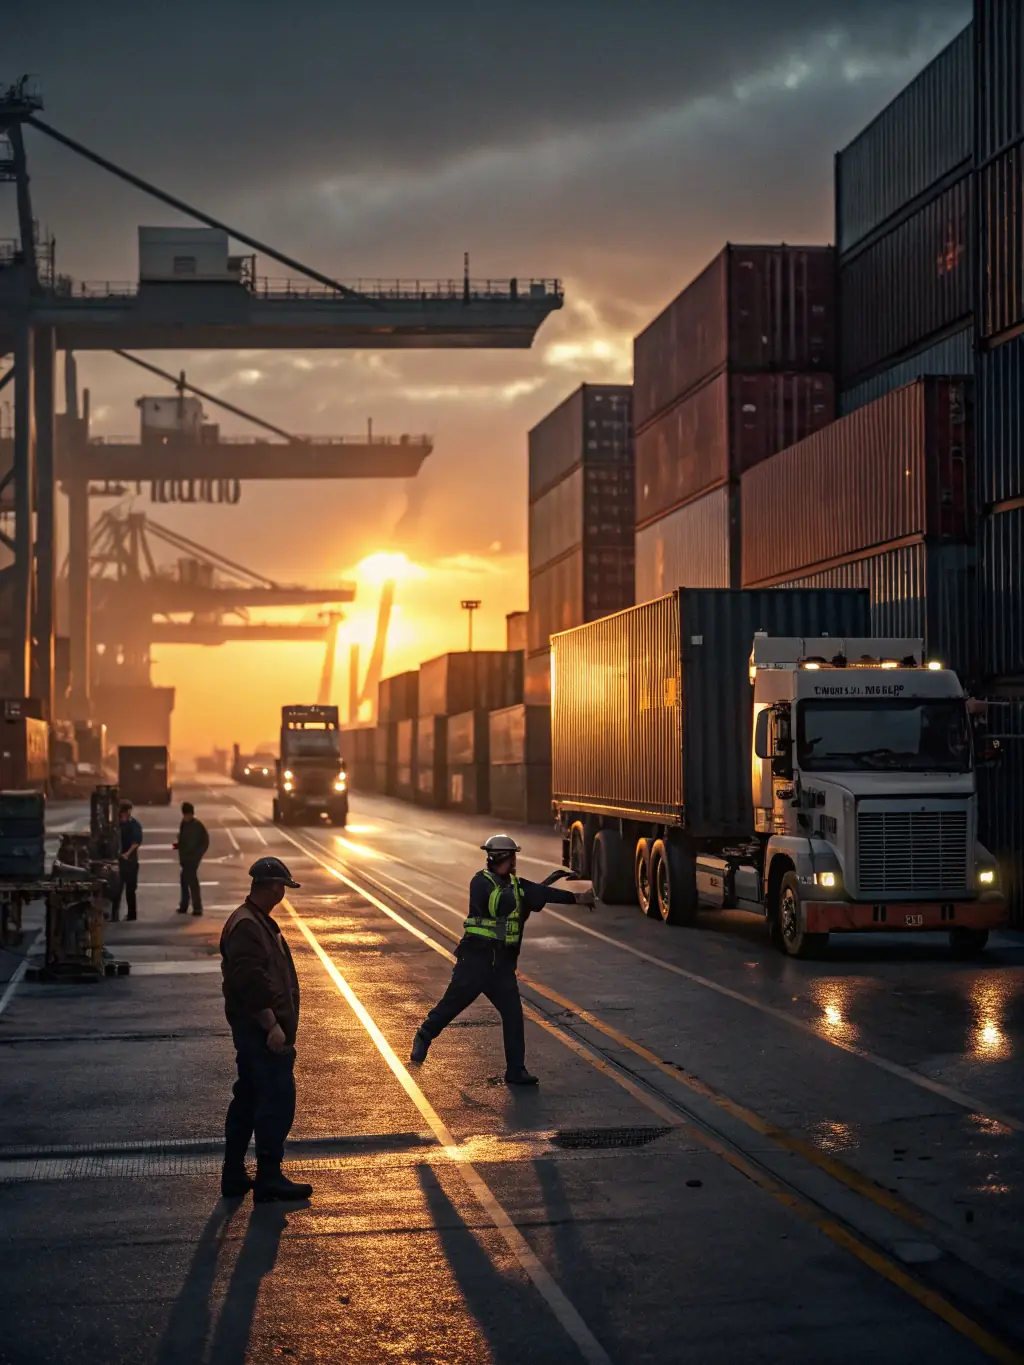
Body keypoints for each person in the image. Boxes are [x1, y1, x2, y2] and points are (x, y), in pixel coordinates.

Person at [410, 833, 595, 1085]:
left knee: (513, 1015)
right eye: (512, 858)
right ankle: (424, 1036)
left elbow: (546, 894)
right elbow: (499, 904)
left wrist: (578, 899)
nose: (515, 862)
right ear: (504, 858)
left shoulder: (517, 886)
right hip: (475, 962)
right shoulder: (481, 882)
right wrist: (527, 893)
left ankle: (516, 1070)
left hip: (502, 967)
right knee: (451, 1006)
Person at [219, 856, 312, 1204]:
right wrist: (271, 1025)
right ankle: (268, 1176)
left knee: (247, 1099)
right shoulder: (247, 926)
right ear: (273, 887)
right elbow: (250, 981)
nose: (283, 895)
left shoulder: (256, 921)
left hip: (255, 1030)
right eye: (283, 888)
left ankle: (234, 1174)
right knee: (275, 1099)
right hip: (259, 1032)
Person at [175, 801, 210, 917]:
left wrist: (197, 855)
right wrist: (178, 845)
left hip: (192, 858)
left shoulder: (197, 826)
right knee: (184, 880)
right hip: (185, 858)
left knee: (192, 882)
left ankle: (197, 907)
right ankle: (185, 905)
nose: (186, 817)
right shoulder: (184, 824)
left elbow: (205, 842)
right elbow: (182, 839)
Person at [113, 801, 143, 922]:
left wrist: (127, 854)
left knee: (130, 890)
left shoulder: (134, 825)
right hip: (119, 861)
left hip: (130, 862)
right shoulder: (116, 825)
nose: (121, 817)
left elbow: (136, 842)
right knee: (117, 890)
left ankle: (131, 914)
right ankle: (114, 915)